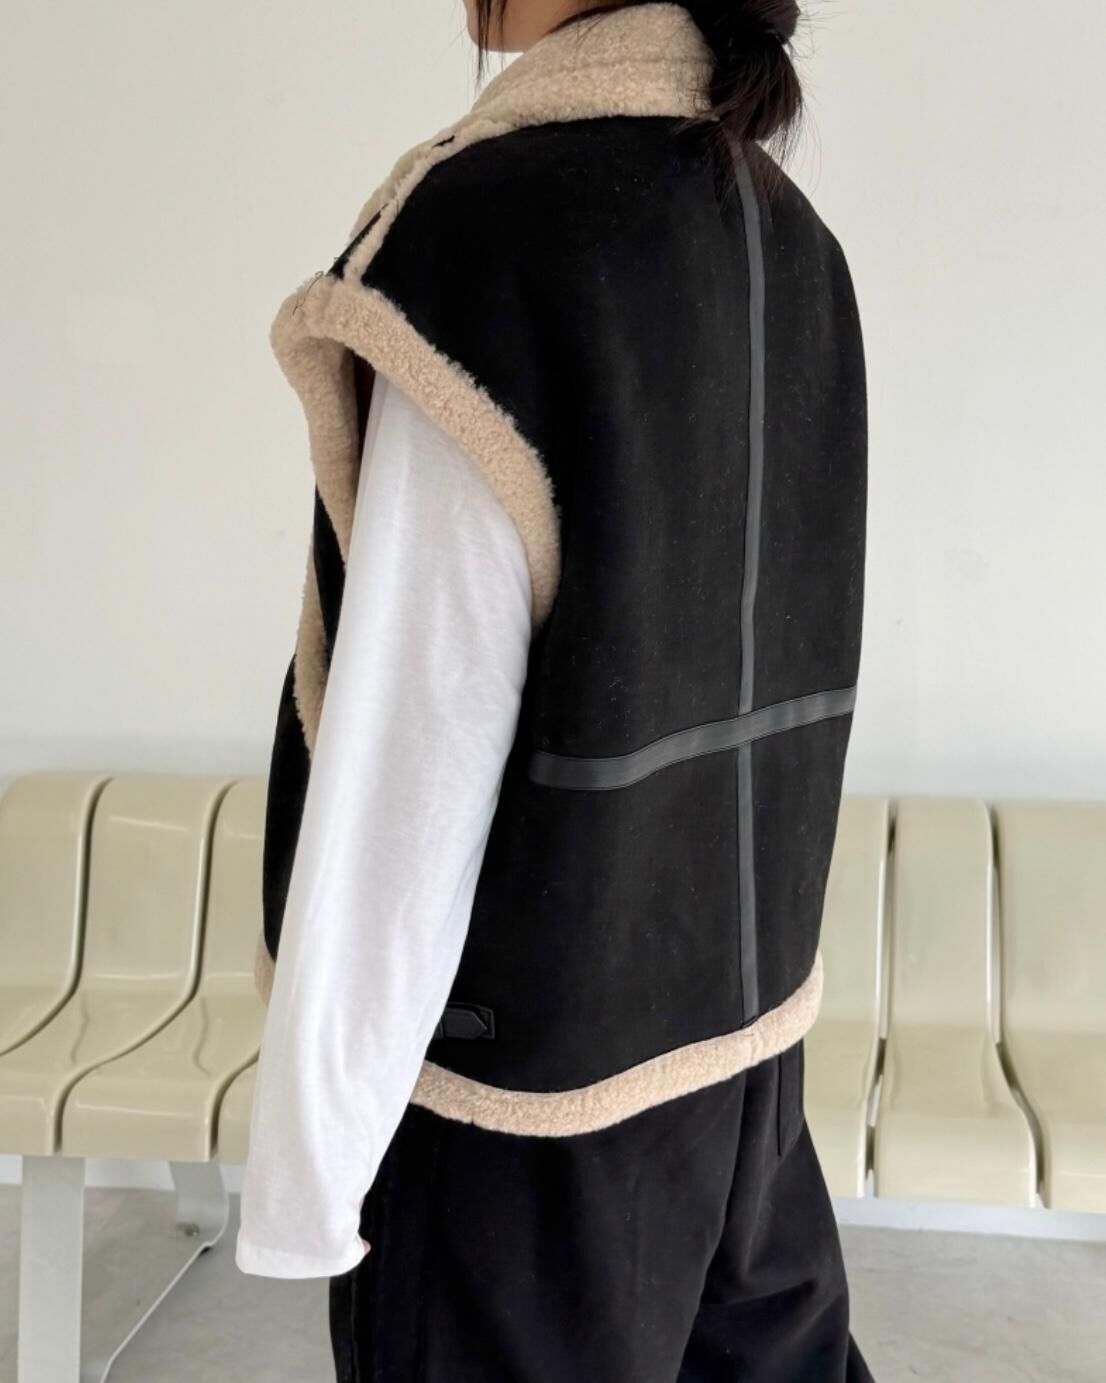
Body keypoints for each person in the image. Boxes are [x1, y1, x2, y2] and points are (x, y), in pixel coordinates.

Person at [236, 1, 873, 1379]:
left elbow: (416, 742)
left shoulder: (494, 236)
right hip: (741, 1068)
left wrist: (309, 1164)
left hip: (523, 1112)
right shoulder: (790, 238)